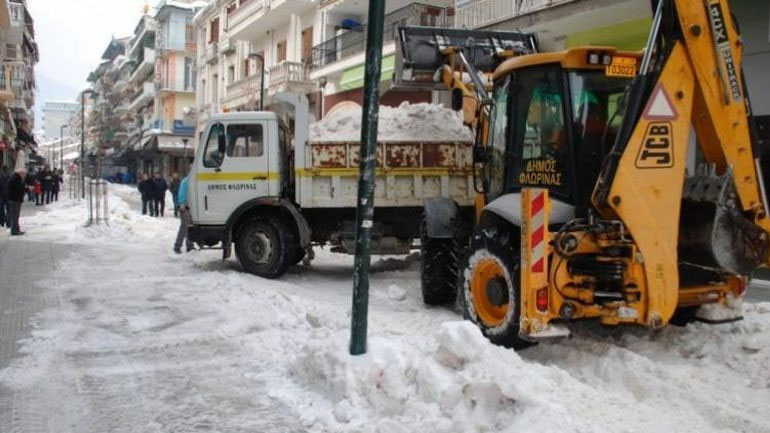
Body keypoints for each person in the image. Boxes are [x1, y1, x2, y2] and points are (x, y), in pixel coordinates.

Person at [173, 175, 194, 253]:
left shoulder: (192, 180)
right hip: (184, 207)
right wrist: (181, 203)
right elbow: (181, 193)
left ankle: (190, 245)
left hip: (190, 207)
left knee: (190, 227)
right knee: (184, 227)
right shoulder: (186, 181)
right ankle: (177, 246)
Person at [7, 167, 26, 235]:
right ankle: (14, 231)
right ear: (20, 173)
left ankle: (16, 230)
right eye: (24, 174)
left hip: (16, 199)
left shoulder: (16, 178)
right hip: (15, 200)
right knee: (14, 216)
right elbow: (19, 189)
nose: (25, 176)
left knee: (16, 216)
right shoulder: (15, 179)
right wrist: (26, 188)